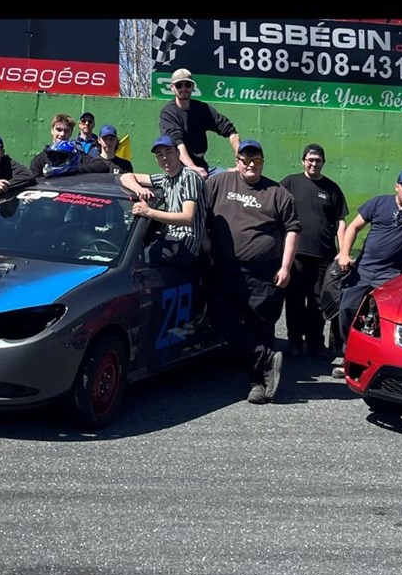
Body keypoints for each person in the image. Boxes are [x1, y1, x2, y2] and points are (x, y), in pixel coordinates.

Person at [205, 139, 299, 404]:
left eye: (256, 160)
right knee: (221, 320)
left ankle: (259, 383)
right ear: (237, 162)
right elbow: (197, 209)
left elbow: (292, 229)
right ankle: (267, 359)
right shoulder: (219, 183)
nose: (250, 164)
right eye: (245, 159)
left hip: (263, 273)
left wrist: (285, 267)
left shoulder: (277, 193)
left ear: (262, 162)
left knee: (261, 326)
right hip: (224, 269)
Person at [333, 170, 402, 377]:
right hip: (363, 270)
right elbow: (354, 227)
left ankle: (379, 363)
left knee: (384, 320)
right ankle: (349, 354)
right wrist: (344, 254)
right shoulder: (379, 203)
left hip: (390, 276)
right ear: (396, 187)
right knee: (347, 310)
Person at [279, 143, 349, 360]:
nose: (314, 164)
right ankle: (294, 342)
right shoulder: (290, 182)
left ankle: (315, 343)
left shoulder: (332, 189)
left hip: (324, 256)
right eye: (310, 160)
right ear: (303, 161)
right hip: (297, 255)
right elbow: (275, 206)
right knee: (295, 301)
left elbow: (340, 222)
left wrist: (342, 251)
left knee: (318, 302)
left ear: (323, 163)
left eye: (318, 160)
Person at [119, 135, 206, 267]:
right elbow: (125, 177)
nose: (164, 157)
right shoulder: (165, 179)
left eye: (169, 152)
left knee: (138, 263)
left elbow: (187, 218)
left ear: (178, 153)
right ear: (156, 159)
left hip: (185, 243)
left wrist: (148, 212)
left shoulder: (189, 177)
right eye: (159, 154)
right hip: (169, 238)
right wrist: (138, 188)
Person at [158, 67, 240, 179]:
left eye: (187, 84)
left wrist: (241, 161)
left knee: (231, 178)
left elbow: (231, 131)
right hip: (179, 171)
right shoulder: (168, 113)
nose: (183, 88)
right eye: (179, 85)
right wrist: (192, 167)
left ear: (192, 86)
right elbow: (178, 144)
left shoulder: (202, 109)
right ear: (172, 87)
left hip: (203, 168)